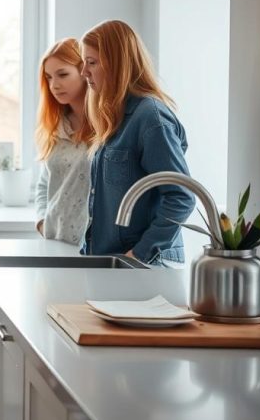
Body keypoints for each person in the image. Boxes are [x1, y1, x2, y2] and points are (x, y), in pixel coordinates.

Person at [80, 19, 194, 266]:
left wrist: (139, 255)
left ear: (116, 64)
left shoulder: (151, 118)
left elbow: (182, 196)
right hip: (112, 264)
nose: (84, 72)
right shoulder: (114, 119)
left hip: (142, 267)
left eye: (92, 62)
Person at [34, 38, 93, 245]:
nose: (54, 85)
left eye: (63, 74)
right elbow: (43, 184)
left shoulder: (106, 127)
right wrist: (42, 222)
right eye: (49, 77)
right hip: (54, 243)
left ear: (84, 72)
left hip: (91, 247)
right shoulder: (55, 128)